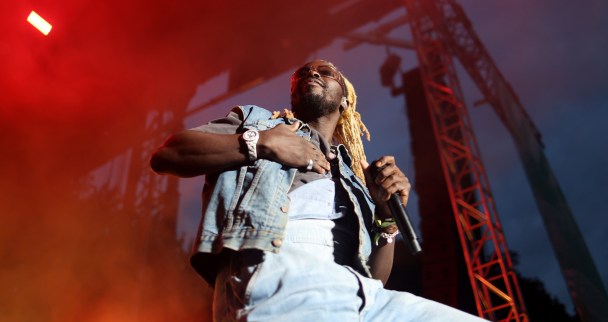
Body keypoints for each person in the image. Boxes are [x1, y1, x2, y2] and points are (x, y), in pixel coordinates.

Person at [150, 59, 486, 321]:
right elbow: (169, 154)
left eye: (325, 71)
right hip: (280, 274)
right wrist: (261, 144)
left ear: (345, 101)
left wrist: (386, 219)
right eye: (302, 74)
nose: (311, 73)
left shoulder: (357, 180)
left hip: (362, 297)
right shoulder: (261, 122)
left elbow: (376, 279)